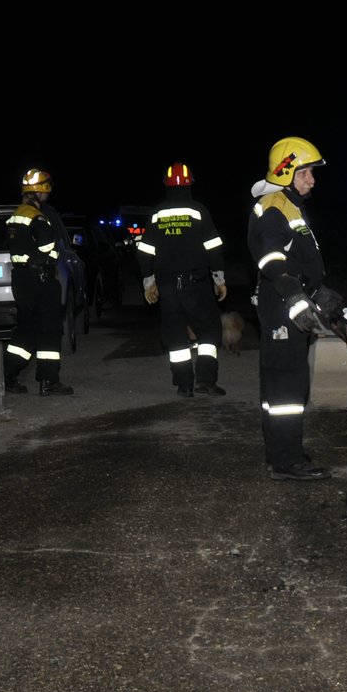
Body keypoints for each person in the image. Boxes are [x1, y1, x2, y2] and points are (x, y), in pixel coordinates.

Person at [247, 136, 333, 481]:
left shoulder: (288, 204)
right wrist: (294, 294)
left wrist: (317, 288)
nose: (312, 179)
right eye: (306, 172)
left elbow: (296, 255)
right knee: (287, 384)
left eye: (312, 172)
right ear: (286, 172)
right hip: (282, 301)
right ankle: (286, 462)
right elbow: (270, 257)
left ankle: (283, 452)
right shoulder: (274, 207)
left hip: (289, 297)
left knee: (283, 380)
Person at [135, 163, 229, 397]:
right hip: (196, 282)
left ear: (166, 185)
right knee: (208, 330)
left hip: (166, 284)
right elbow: (214, 248)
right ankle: (206, 381)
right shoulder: (199, 210)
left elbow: (145, 251)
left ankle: (184, 385)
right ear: (190, 184)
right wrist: (219, 278)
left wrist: (149, 282)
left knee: (175, 333)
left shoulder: (157, 213)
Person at [4, 168, 73, 396]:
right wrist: (48, 258)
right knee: (50, 330)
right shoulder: (37, 217)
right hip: (40, 280)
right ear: (42, 192)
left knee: (26, 330)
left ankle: (8, 375)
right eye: (46, 192)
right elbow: (47, 243)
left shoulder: (16, 215)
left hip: (22, 280)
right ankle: (49, 381)